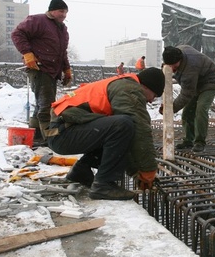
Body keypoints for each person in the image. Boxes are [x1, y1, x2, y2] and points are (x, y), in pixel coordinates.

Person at [46, 67, 165, 200]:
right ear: (147, 87)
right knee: (123, 124)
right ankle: (104, 185)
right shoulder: (129, 90)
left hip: (61, 132)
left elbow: (123, 141)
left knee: (117, 127)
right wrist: (148, 170)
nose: (152, 101)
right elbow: (139, 130)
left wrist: (136, 172)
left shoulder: (123, 85)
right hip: (62, 134)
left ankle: (81, 171)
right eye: (154, 95)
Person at [12, 0, 72, 146]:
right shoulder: (38, 20)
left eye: (65, 12)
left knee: (41, 104)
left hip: (53, 70)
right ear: (52, 10)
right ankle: (49, 138)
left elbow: (62, 52)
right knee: (46, 105)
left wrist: (67, 69)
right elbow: (17, 34)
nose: (64, 15)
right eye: (61, 11)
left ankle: (35, 135)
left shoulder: (62, 30)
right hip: (40, 68)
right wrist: (27, 53)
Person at [161, 45, 215, 152]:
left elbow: (187, 94)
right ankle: (189, 140)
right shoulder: (179, 51)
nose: (172, 69)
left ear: (179, 60)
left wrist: (171, 108)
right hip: (196, 81)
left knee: (201, 109)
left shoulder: (190, 68)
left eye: (173, 66)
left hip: (210, 81)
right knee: (187, 112)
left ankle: (199, 142)